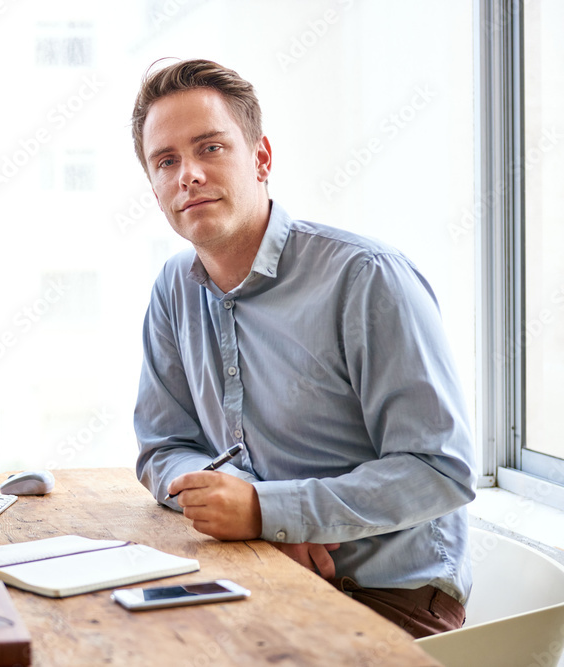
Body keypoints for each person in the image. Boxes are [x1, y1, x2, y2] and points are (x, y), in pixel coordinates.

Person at [131, 59, 477, 638]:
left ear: (261, 158)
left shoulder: (367, 278)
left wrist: (269, 514)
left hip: (386, 598)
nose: (187, 174)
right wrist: (252, 519)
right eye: (165, 161)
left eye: (210, 148)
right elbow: (164, 446)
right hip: (258, 570)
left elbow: (439, 469)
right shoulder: (174, 287)